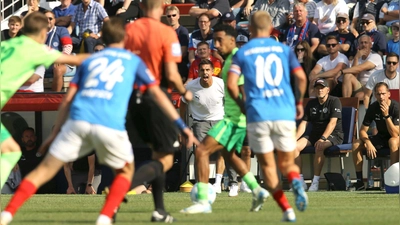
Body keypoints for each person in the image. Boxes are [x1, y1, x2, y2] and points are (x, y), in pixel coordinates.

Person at [0, 17, 193, 225]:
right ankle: (104, 217)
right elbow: (156, 94)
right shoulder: (132, 61)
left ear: (103, 37)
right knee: (126, 172)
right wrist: (182, 125)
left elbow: (67, 99)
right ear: (125, 38)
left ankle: (7, 213)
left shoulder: (9, 45)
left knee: (42, 169)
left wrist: (55, 132)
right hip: (109, 124)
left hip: (78, 120)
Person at [227, 11, 308, 222]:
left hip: (258, 114)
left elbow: (231, 84)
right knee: (287, 163)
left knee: (268, 167)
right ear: (271, 26)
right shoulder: (284, 50)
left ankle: (287, 210)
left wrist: (242, 106)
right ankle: (295, 180)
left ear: (250, 29)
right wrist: (299, 102)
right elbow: (300, 76)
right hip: (284, 112)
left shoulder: (243, 52)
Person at [180, 24, 270, 214]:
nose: (217, 44)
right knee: (229, 155)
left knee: (202, 151)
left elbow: (244, 91)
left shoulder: (236, 61)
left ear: (232, 40)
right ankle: (256, 189)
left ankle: (203, 202)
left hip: (235, 120)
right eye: (215, 40)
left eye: (220, 40)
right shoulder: (232, 59)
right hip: (237, 119)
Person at [124, 0, 198, 222]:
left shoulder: (129, 29)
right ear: (163, 7)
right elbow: (171, 73)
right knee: (165, 158)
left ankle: (159, 210)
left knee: (156, 154)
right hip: (156, 97)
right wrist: (184, 92)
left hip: (131, 98)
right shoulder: (166, 33)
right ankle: (125, 187)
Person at [0, 12, 87, 193]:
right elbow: (75, 59)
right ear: (42, 33)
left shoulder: (7, 45)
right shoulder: (37, 50)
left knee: (12, 151)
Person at [295, 79, 344, 191]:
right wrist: (294, 139)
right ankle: (300, 181)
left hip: (334, 135)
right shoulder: (311, 103)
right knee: (294, 147)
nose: (319, 90)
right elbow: (303, 124)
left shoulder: (335, 101)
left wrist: (323, 138)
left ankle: (315, 182)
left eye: (322, 87)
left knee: (320, 146)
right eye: (317, 88)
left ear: (328, 89)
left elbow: (332, 124)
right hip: (315, 134)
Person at [180, 59, 224, 183]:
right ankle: (202, 184)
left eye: (207, 70)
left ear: (212, 71)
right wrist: (182, 125)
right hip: (200, 122)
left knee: (222, 152)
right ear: (198, 72)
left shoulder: (221, 83)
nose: (205, 73)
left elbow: (231, 101)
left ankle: (218, 183)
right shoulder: (191, 86)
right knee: (201, 153)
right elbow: (183, 103)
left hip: (219, 121)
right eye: (202, 70)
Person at [351, 82, 399, 190]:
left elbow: (395, 133)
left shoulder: (395, 107)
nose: (381, 97)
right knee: (356, 144)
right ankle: (360, 183)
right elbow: (362, 130)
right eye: (378, 94)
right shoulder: (373, 107)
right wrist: (368, 142)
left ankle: (393, 180)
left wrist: (386, 115)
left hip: (396, 138)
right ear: (375, 95)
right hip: (381, 138)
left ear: (388, 94)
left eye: (383, 94)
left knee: (393, 141)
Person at [341, 35, 383, 99]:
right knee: (347, 76)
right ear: (358, 45)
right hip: (360, 86)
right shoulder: (356, 58)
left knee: (359, 96)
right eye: (361, 43)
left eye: (366, 42)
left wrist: (341, 71)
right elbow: (354, 76)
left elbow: (360, 68)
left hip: (373, 86)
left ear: (370, 45)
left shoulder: (375, 56)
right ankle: (346, 103)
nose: (363, 45)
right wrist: (356, 58)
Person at [42, 10, 74, 92]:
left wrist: (61, 59)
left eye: (50, 18)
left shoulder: (61, 30)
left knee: (58, 70)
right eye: (45, 18)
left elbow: (68, 46)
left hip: (62, 62)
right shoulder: (38, 33)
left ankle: (53, 97)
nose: (48, 20)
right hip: (44, 63)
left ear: (54, 20)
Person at [165, 5, 190, 82]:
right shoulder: (165, 31)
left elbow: (183, 53)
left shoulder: (183, 31)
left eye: (174, 15)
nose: (171, 18)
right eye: (169, 16)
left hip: (180, 63)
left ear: (178, 16)